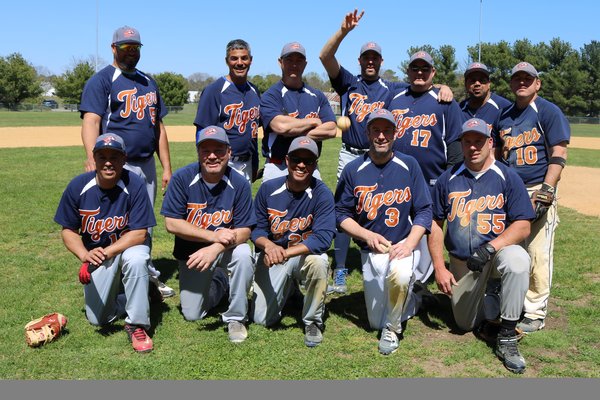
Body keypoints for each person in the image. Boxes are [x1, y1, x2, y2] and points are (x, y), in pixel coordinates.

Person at [319, 9, 454, 294]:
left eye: (375, 58)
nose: (370, 61)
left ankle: (398, 257)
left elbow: (421, 85)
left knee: (385, 206)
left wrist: (443, 87)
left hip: (378, 155)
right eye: (366, 57)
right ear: (360, 61)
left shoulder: (391, 89)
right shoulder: (347, 82)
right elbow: (325, 57)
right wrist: (343, 31)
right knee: (343, 212)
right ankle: (341, 269)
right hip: (349, 153)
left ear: (380, 62)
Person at [430, 118, 535, 373]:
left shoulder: (506, 176)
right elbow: (434, 223)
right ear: (462, 144)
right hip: (463, 263)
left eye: (479, 141)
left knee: (517, 259)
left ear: (490, 143)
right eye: (468, 142)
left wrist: (491, 247)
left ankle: (507, 336)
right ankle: (490, 297)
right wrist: (439, 268)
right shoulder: (448, 178)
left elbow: (523, 225)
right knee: (464, 324)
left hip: (496, 256)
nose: (473, 147)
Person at [79, 25, 175, 298]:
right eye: (125, 47)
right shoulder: (103, 80)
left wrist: (166, 166)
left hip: (146, 165)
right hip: (116, 165)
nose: (130, 52)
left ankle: (143, 275)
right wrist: (91, 158)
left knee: (143, 223)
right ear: (114, 48)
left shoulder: (148, 82)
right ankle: (117, 278)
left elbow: (159, 127)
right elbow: (92, 121)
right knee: (118, 223)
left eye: (135, 47)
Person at [334, 109, 432, 355]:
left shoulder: (408, 165)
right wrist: (366, 235)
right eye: (375, 130)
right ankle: (414, 296)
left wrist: (410, 244)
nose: (381, 136)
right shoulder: (354, 169)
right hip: (372, 249)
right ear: (367, 133)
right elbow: (340, 214)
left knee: (397, 280)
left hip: (403, 244)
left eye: (386, 130)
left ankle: (392, 329)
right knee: (374, 320)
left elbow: (424, 210)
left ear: (395, 133)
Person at [54, 133, 156, 353]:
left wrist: (106, 252)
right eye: (103, 156)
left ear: (124, 159)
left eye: (115, 156)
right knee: (98, 318)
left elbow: (139, 234)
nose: (108, 162)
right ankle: (142, 293)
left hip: (127, 247)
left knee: (136, 258)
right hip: (98, 256)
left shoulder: (135, 183)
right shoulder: (78, 186)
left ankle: (137, 324)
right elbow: (68, 230)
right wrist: (84, 254)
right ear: (94, 158)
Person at [493, 62, 570, 335]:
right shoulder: (504, 115)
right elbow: (498, 154)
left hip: (537, 188)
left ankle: (535, 311)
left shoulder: (548, 111)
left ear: (538, 83)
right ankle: (509, 299)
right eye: (517, 79)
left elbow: (558, 153)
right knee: (510, 249)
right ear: (512, 84)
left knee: (537, 251)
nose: (522, 83)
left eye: (528, 78)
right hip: (510, 191)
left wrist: (548, 189)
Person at [160, 126, 256, 343]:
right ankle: (222, 281)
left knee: (243, 254)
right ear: (198, 153)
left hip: (226, 249)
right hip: (193, 254)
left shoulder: (239, 182)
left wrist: (215, 248)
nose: (212, 156)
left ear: (229, 153)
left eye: (219, 150)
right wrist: (212, 237)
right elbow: (172, 223)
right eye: (206, 150)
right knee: (193, 314)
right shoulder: (183, 178)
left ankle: (236, 317)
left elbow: (246, 230)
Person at [387, 50, 464, 310]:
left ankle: (419, 283)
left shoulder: (445, 102)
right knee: (400, 229)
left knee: (428, 231)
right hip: (398, 179)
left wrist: (450, 177)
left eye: (425, 69)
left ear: (433, 73)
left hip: (432, 180)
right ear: (407, 72)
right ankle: (402, 277)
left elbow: (454, 142)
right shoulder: (395, 98)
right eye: (414, 68)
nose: (419, 73)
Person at [251, 136, 335, 347]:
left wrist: (284, 253)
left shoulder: (322, 193)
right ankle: (289, 290)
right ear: (287, 160)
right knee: (262, 319)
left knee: (320, 261)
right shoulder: (268, 188)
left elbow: (323, 238)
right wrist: (269, 246)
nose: (301, 165)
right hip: (272, 256)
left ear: (315, 164)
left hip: (300, 257)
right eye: (296, 158)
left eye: (308, 161)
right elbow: (256, 229)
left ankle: (313, 321)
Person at [260, 41, 337, 182]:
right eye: (289, 60)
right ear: (280, 62)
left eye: (299, 60)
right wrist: (313, 121)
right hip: (278, 167)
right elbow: (280, 126)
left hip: (310, 167)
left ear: (305, 64)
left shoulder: (317, 95)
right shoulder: (271, 95)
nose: (294, 65)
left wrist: (291, 131)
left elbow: (331, 130)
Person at [193, 39, 262, 183]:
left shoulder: (254, 91)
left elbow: (252, 133)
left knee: (243, 205)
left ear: (251, 60)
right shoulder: (215, 90)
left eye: (244, 58)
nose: (239, 62)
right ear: (227, 61)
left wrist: (254, 163)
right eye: (234, 58)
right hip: (223, 163)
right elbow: (202, 132)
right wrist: (207, 165)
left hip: (247, 164)